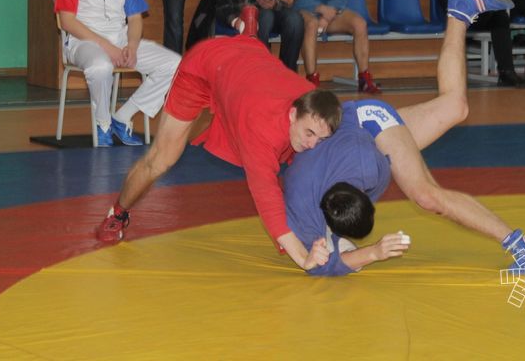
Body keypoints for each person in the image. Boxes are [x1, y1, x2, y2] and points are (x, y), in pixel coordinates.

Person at [283, 0, 525, 276]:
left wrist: (371, 253)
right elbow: (323, 265)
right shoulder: (306, 215)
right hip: (357, 124)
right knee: (455, 107)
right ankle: (459, 13)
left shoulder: (364, 170)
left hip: (365, 126)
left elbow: (326, 265)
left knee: (426, 195)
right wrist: (363, 253)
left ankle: (522, 246)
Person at [94, 33, 342, 271]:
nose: (313, 143)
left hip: (248, 61)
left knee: (307, 160)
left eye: (321, 138)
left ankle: (248, 28)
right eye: (309, 133)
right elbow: (267, 197)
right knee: (162, 159)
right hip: (204, 65)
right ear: (293, 114)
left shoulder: (314, 106)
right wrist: (303, 259)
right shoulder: (261, 129)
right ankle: (118, 212)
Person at [55, 0, 181, 147]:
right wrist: (108, 48)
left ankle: (122, 118)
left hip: (120, 37)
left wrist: (131, 45)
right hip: (82, 41)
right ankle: (103, 124)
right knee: (101, 66)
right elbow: (68, 21)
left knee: (175, 64)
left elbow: (135, 18)